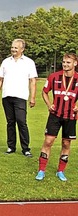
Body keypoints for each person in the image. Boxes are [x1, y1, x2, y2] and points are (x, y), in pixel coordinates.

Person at [36, 53, 78, 181]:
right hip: (55, 115)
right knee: (48, 141)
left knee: (66, 143)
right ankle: (41, 170)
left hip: (70, 116)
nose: (65, 64)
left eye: (68, 62)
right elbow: (44, 92)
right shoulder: (54, 77)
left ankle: (60, 171)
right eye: (64, 62)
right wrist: (49, 104)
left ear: (75, 63)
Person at [0, 39, 37, 157]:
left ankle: (26, 148)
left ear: (22, 49)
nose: (13, 49)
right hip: (7, 96)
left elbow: (32, 80)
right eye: (12, 47)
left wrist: (32, 97)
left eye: (16, 48)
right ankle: (11, 147)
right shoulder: (6, 62)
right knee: (10, 122)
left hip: (21, 97)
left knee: (22, 122)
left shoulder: (29, 62)